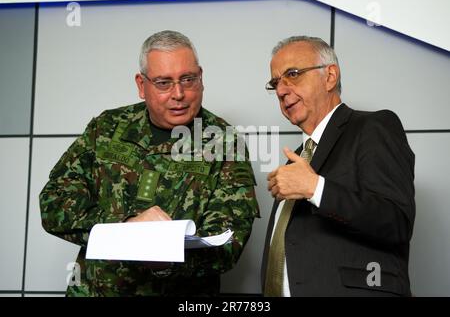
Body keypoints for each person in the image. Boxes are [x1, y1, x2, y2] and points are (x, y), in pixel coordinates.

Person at [39, 30, 260, 297]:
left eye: (188, 80)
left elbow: (228, 243)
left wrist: (166, 259)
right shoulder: (107, 128)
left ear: (201, 77)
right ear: (141, 85)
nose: (179, 93)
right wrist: (124, 226)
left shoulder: (225, 143)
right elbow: (53, 204)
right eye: (164, 83)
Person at [261, 36, 415, 296]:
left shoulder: (373, 127)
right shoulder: (299, 157)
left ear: (330, 76)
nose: (281, 90)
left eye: (293, 74)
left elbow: (395, 221)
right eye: (275, 83)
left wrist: (315, 188)